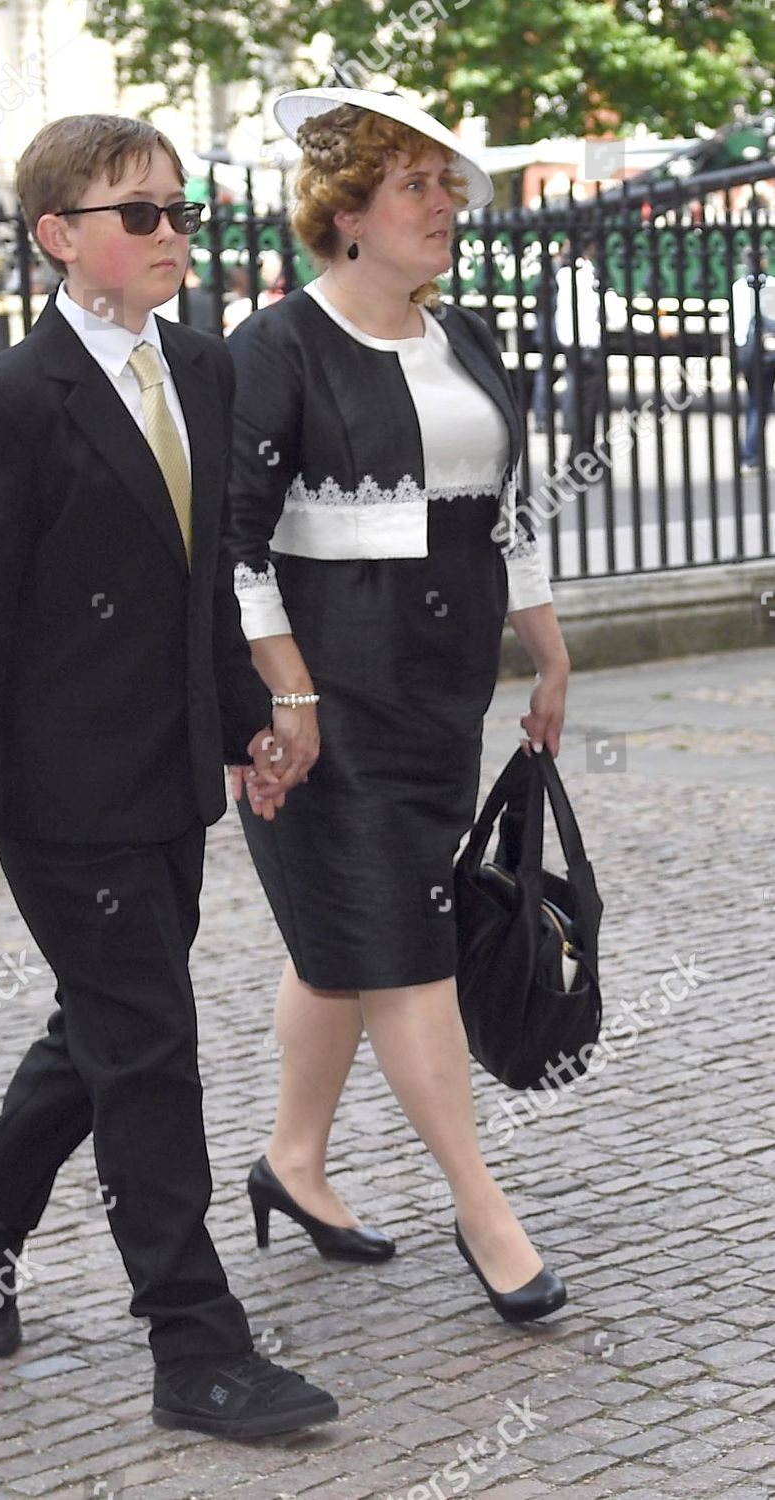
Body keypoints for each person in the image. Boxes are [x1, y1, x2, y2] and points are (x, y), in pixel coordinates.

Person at [0, 112, 338, 1441]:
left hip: (167, 772)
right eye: (135, 214)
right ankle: (195, 1350)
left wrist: (246, 723)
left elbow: (201, 568)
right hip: (57, 794)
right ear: (58, 237)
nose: (169, 235)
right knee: (148, 1048)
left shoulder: (203, 370)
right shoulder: (5, 400)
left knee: (109, 1022)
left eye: (178, 209)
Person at [225, 85, 570, 1324]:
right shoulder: (274, 349)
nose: (447, 208)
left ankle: (293, 1163)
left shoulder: (464, 335)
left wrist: (545, 646)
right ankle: (485, 1211)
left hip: (440, 696)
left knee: (343, 948)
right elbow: (236, 548)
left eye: (450, 187)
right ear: (348, 214)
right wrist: (288, 693)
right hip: (327, 705)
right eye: (418, 186)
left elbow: (504, 511)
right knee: (405, 948)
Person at [554, 237, 624, 481]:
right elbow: (614, 315)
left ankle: (583, 459)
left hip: (570, 344)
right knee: (588, 406)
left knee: (580, 403)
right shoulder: (590, 276)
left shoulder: (564, 276)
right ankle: (580, 461)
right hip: (589, 347)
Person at [731, 250, 775, 475]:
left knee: (752, 401)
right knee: (760, 403)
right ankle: (751, 455)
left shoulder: (738, 287)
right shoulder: (770, 286)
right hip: (764, 352)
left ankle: (748, 453)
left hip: (744, 350)